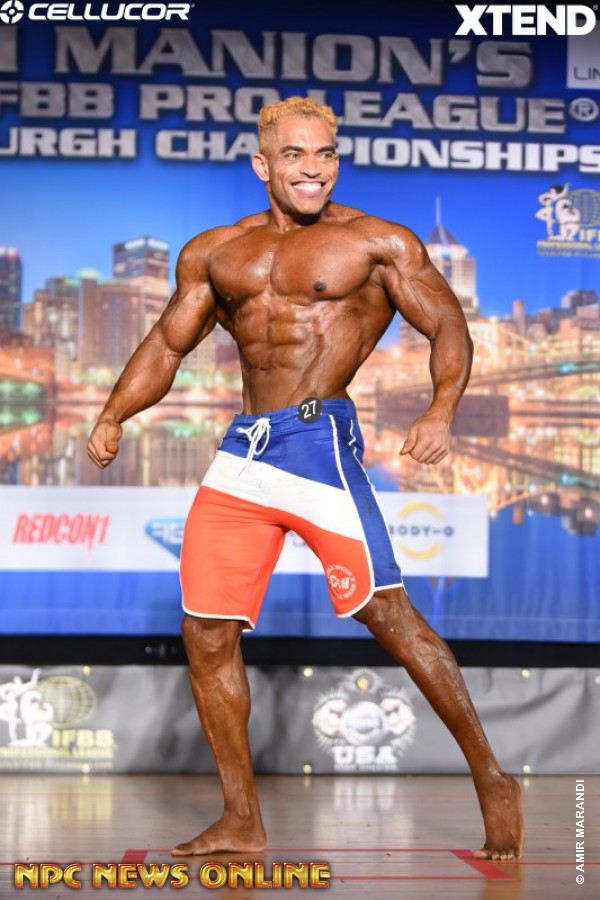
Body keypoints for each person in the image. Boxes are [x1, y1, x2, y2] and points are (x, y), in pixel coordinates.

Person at [87, 96, 524, 862]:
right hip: (244, 452)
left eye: (326, 153)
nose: (313, 168)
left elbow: (447, 322)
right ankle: (241, 819)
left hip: (319, 443)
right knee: (206, 631)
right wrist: (113, 413)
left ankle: (491, 775)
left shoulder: (376, 242)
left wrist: (441, 410)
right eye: (295, 154)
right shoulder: (216, 252)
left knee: (389, 616)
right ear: (264, 164)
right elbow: (167, 343)